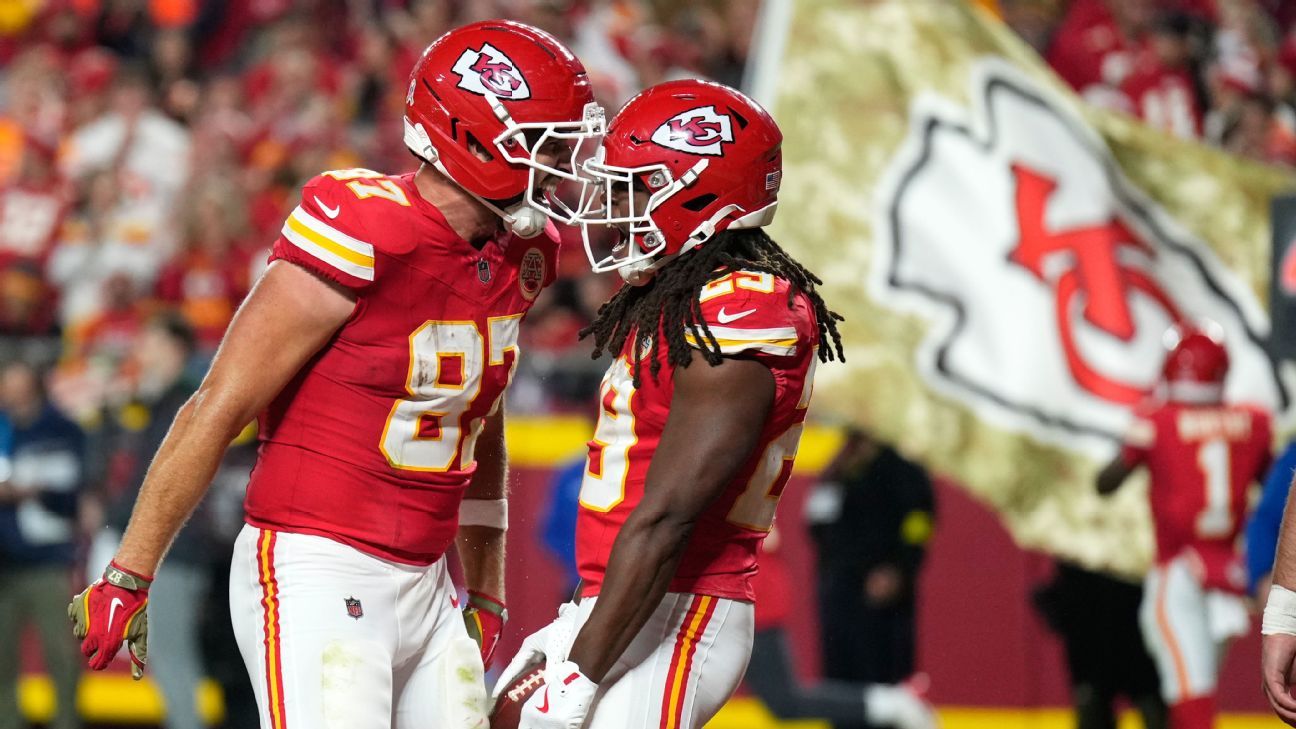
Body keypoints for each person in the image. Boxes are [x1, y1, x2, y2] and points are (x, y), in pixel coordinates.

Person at [67, 19, 604, 729]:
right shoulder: (366, 225)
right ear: (474, 140)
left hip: (428, 580)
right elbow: (219, 403)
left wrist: (487, 586)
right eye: (546, 143)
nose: (563, 164)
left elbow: (481, 413)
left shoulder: (522, 252)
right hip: (318, 566)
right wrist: (129, 572)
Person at [493, 78, 845, 729]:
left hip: (685, 609)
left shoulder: (742, 311)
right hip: (626, 598)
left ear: (701, 196)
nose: (613, 207)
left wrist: (578, 670)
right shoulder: (683, 300)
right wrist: (579, 616)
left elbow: (668, 517)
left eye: (634, 187)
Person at [1097, 324, 1271, 729]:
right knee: (1197, 691)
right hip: (1227, 574)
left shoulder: (1157, 422)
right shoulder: (1253, 423)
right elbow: (1274, 492)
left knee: (1193, 699)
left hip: (1178, 572)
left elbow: (1105, 483)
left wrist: (1136, 442)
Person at [88, 314, 208, 729]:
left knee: (171, 653)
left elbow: (161, 477)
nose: (142, 351)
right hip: (171, 542)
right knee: (167, 652)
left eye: (151, 342)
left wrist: (117, 517)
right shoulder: (160, 401)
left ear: (175, 348)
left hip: (177, 544)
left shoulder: (186, 401)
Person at [745, 529, 935, 729]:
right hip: (743, 607)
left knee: (785, 702)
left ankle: (891, 703)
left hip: (751, 610)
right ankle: (889, 702)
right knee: (783, 701)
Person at [806, 426, 936, 710]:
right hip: (839, 588)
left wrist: (898, 569)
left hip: (881, 593)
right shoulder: (839, 465)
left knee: (882, 676)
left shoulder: (902, 464)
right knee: (839, 675)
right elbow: (816, 522)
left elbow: (920, 521)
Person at [0, 361, 85, 729]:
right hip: (4, 561)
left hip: (46, 559)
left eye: (18, 385)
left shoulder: (61, 430)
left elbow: (72, 492)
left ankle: (66, 720)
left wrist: (27, 490)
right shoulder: (3, 428)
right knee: (2, 657)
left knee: (59, 652)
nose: (11, 393)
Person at [1032, 561, 1166, 729]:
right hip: (1092, 646)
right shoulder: (1078, 557)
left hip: (1134, 644)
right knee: (1094, 707)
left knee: (1153, 708)